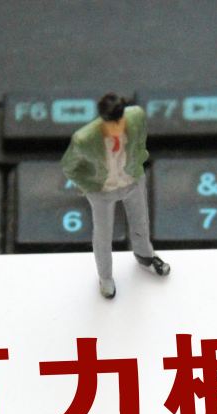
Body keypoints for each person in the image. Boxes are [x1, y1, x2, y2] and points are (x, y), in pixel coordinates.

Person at [60, 93, 170, 299]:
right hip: (103, 190)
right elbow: (69, 167)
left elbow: (141, 137)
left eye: (120, 121)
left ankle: (145, 257)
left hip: (132, 181)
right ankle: (105, 278)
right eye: (111, 123)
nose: (117, 127)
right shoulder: (84, 139)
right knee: (103, 235)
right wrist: (90, 186)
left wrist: (139, 157)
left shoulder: (136, 116)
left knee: (140, 222)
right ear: (103, 120)